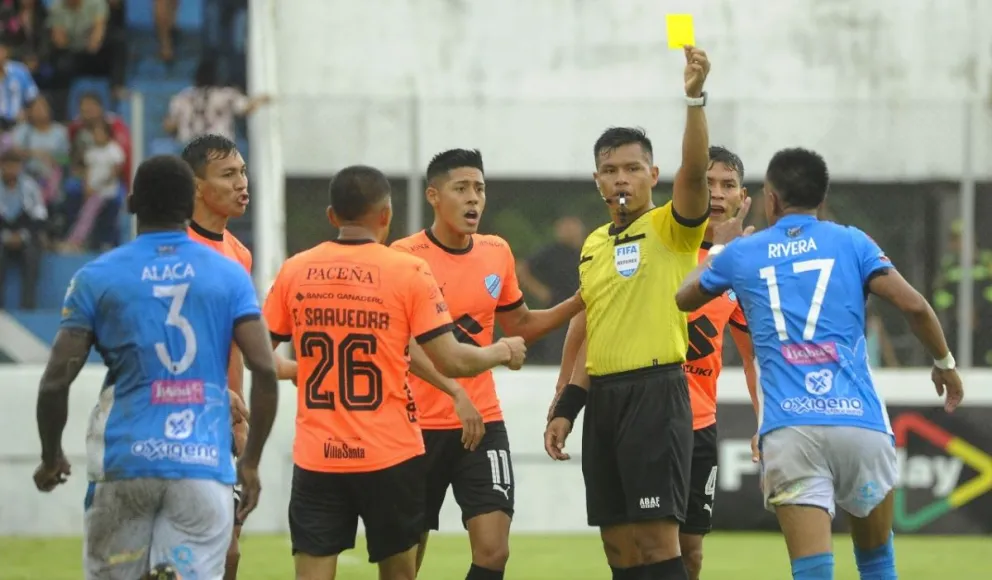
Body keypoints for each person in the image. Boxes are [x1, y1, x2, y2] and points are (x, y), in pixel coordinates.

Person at [675, 147, 965, 580]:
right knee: (878, 565)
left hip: (791, 430)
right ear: (822, 198)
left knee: (812, 571)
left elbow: (685, 297)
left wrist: (718, 250)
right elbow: (917, 307)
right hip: (859, 423)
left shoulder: (745, 252)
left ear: (770, 199)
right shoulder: (851, 241)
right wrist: (944, 362)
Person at [262, 164, 528, 580]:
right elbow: (452, 360)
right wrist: (502, 350)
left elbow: (258, 356)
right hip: (389, 455)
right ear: (386, 215)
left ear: (331, 216)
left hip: (319, 456)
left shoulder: (296, 269)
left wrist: (297, 367)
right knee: (401, 575)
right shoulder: (406, 270)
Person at [32, 155, 280, 580]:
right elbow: (264, 368)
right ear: (190, 202)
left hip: (124, 463)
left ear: (131, 203)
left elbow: (56, 379)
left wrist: (51, 454)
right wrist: (252, 461)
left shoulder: (97, 276)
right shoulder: (229, 274)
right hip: (201, 464)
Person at [543, 46, 713, 580]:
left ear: (653, 174)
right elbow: (594, 328)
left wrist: (694, 99)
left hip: (656, 394)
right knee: (617, 546)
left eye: (633, 169)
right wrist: (567, 407)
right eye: (610, 170)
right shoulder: (593, 244)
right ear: (596, 179)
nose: (622, 179)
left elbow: (695, 170)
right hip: (605, 401)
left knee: (657, 542)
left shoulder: (671, 226)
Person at [554, 145, 758, 580]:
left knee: (688, 551)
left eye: (728, 186)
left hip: (692, 420)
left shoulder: (745, 265)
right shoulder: (660, 236)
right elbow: (588, 323)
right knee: (628, 544)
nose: (717, 195)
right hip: (633, 402)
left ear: (744, 197)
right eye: (708, 184)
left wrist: (766, 419)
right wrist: (564, 398)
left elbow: (755, 353)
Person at [390, 149, 584, 579]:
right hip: (414, 426)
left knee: (494, 552)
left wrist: (579, 301)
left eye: (479, 188)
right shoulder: (404, 256)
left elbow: (521, 324)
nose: (473, 198)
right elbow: (402, 345)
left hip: (482, 422)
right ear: (434, 196)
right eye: (461, 189)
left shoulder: (496, 252)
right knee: (404, 563)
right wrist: (456, 391)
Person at [181, 133, 297, 580]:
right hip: (172, 416)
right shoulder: (173, 248)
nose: (242, 182)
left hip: (220, 421)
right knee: (186, 552)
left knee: (227, 555)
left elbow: (236, 346)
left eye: (243, 172)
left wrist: (237, 412)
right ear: (195, 186)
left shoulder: (238, 252)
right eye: (228, 174)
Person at [517, 215, 585, 363]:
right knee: (557, 352)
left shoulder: (587, 250)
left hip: (584, 309)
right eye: (565, 227)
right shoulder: (551, 252)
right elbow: (523, 268)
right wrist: (540, 292)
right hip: (557, 308)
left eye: (572, 226)